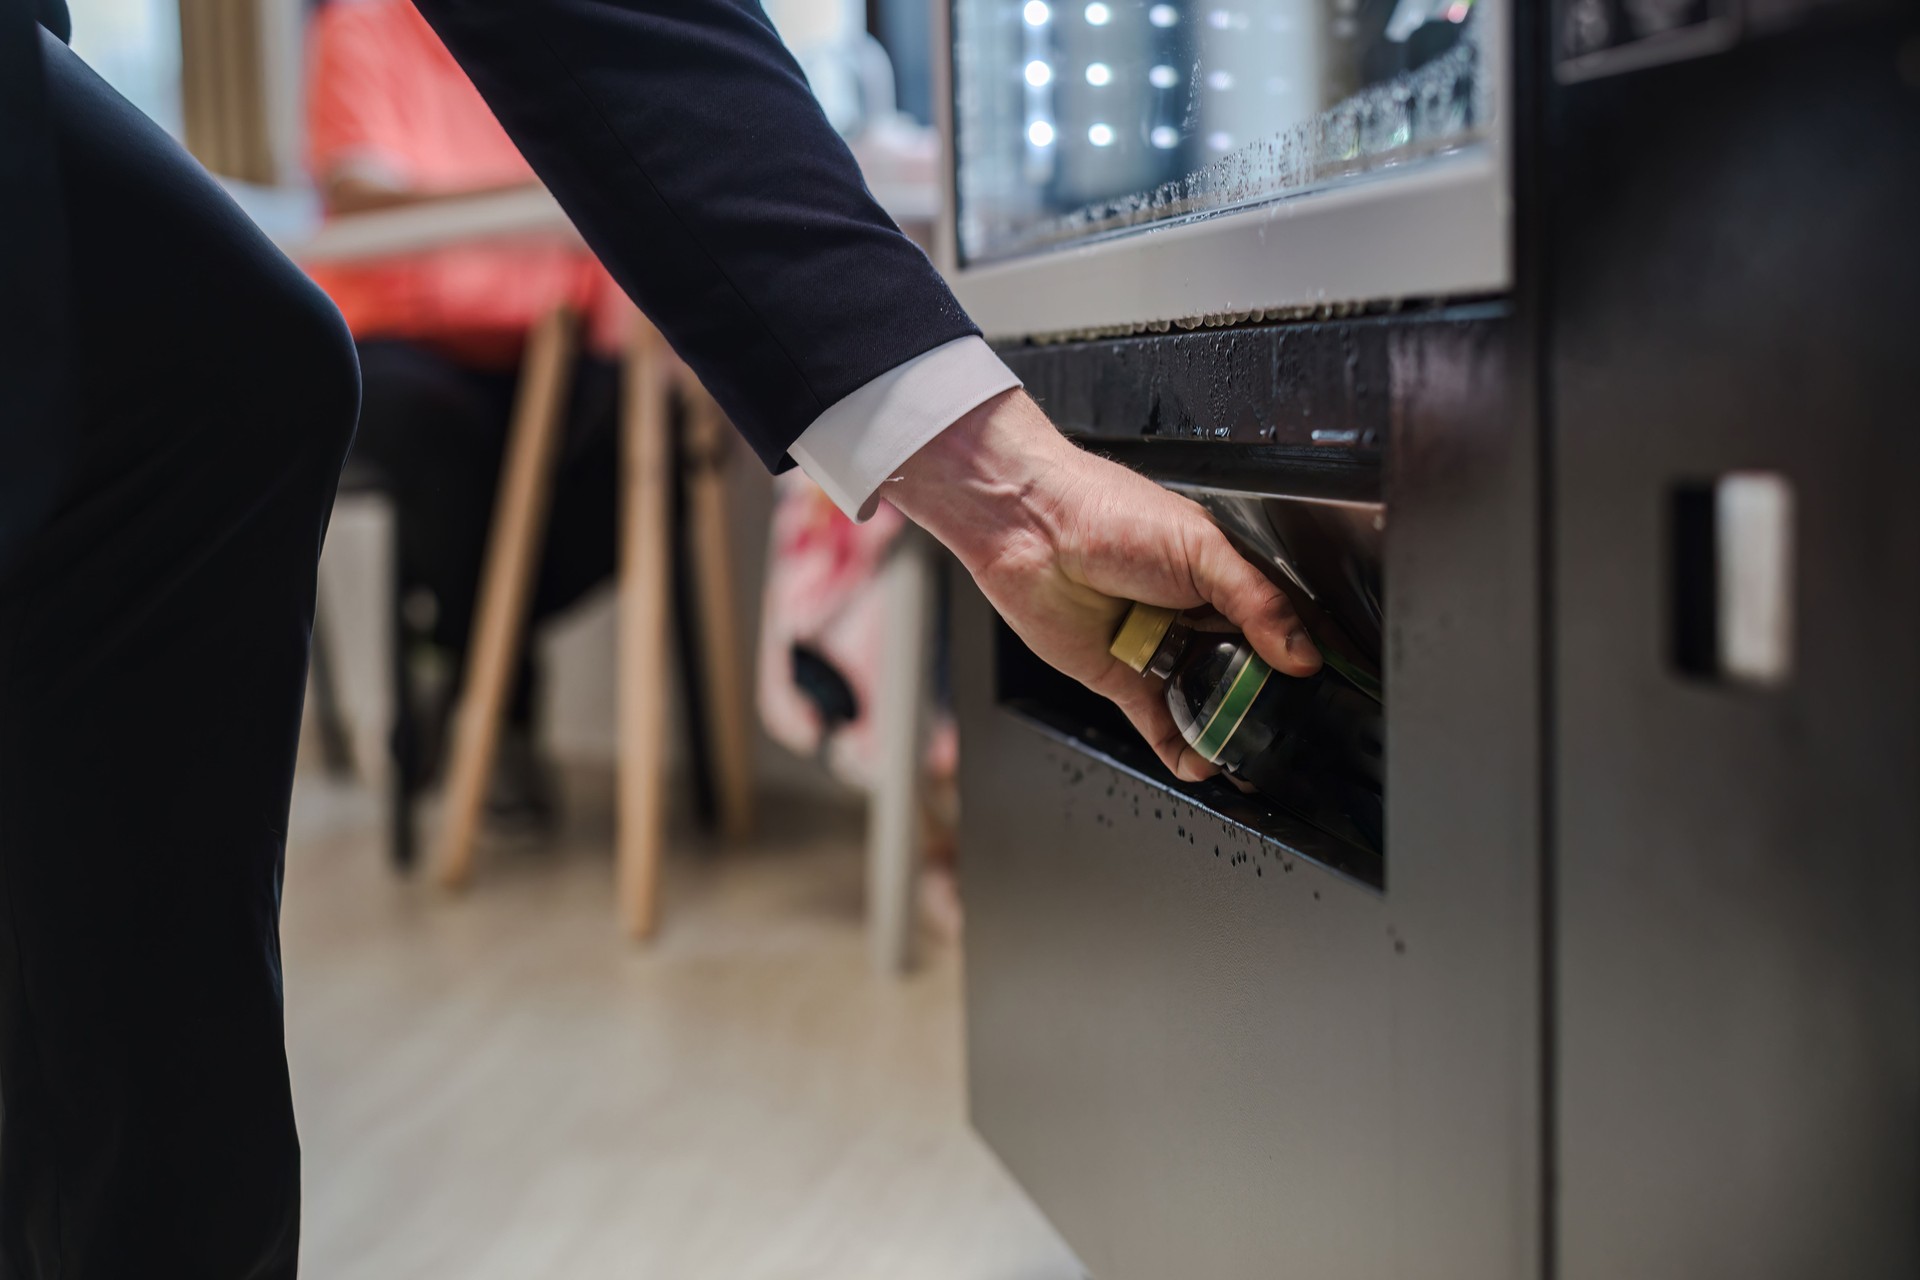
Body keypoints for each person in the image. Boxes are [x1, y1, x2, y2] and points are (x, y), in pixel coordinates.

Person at [0, 0, 1321, 1273]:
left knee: (221, 389)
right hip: (423, 344)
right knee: (230, 382)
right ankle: (450, 699)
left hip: (506, 333)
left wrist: (1005, 501)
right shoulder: (353, 41)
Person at [304, 0, 632, 822]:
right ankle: (501, 706)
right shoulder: (364, 25)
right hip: (400, 345)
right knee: (449, 433)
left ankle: (456, 661)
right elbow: (359, 195)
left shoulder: (556, 34)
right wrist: (549, 186)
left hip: (549, 344)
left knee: (654, 443)